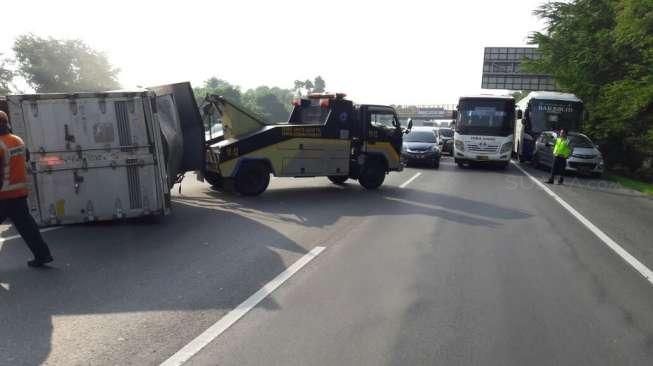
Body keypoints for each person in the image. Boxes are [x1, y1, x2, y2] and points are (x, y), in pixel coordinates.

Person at [0, 110, 53, 267]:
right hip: (19, 194)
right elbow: (26, 158)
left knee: (27, 226)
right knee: (28, 227)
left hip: (3, 195)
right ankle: (43, 255)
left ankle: (43, 255)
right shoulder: (18, 140)